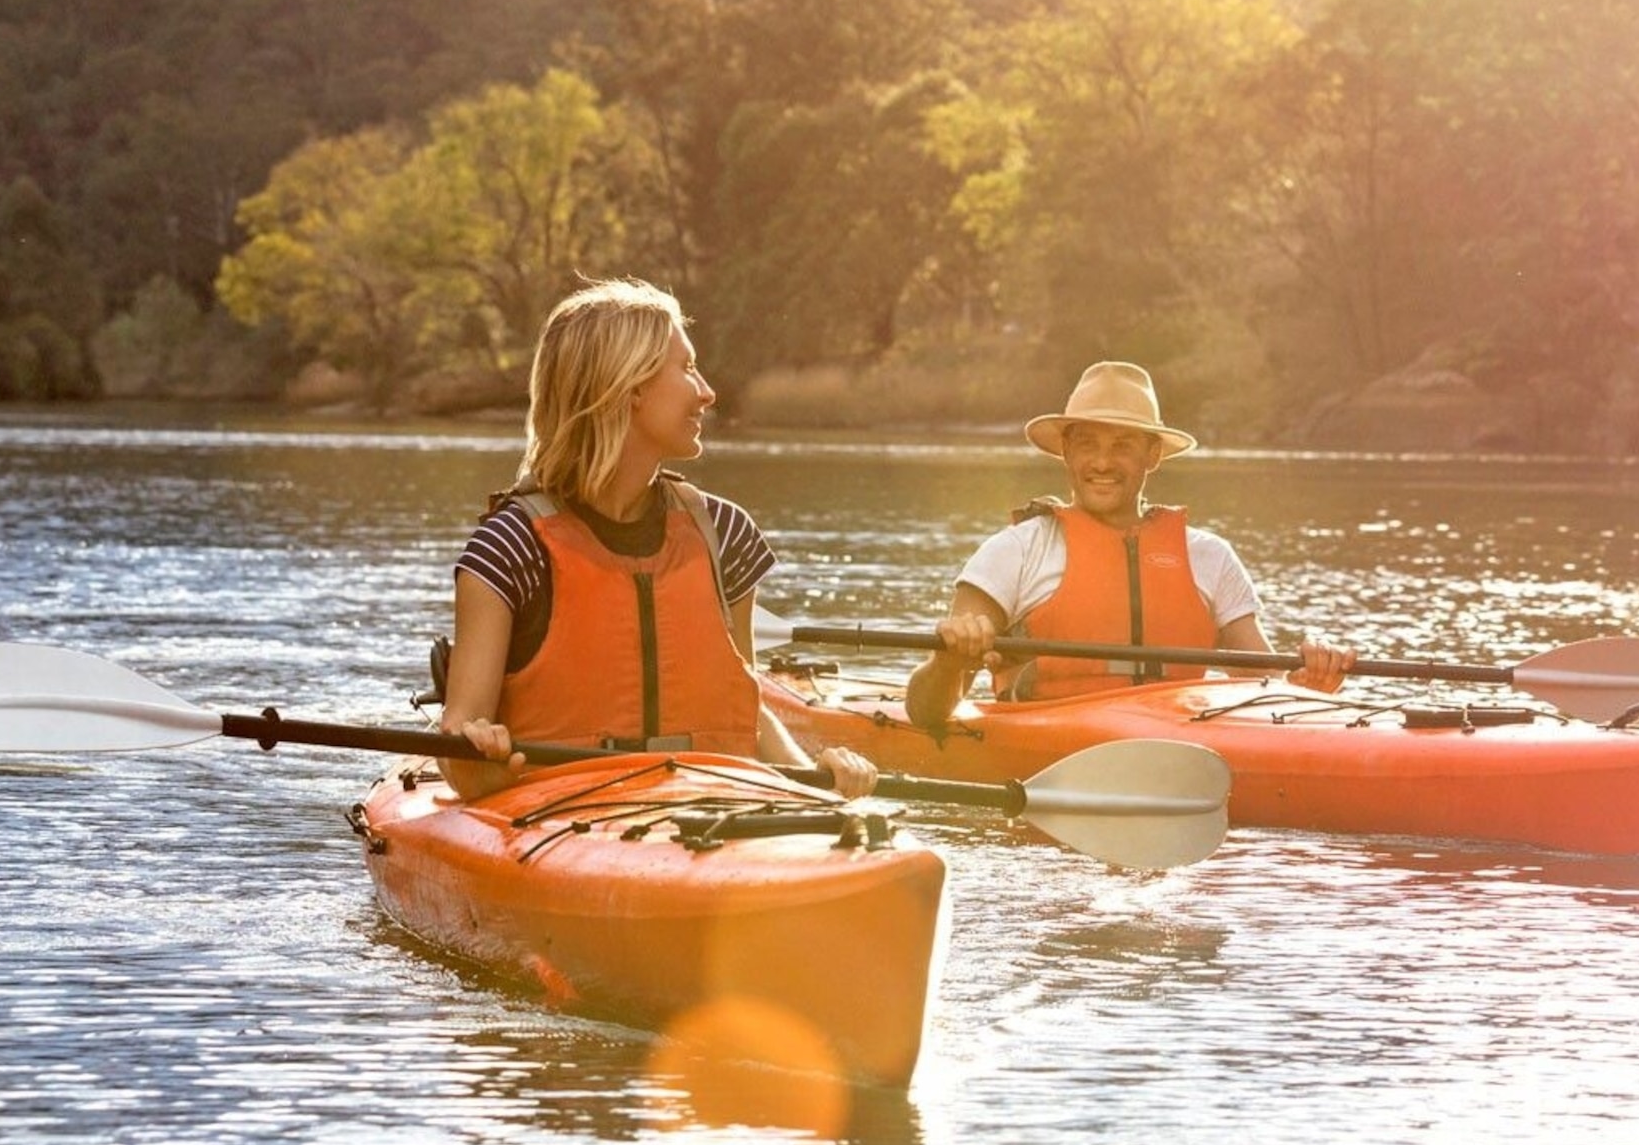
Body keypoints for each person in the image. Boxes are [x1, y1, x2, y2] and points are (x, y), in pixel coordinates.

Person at [441, 277, 877, 801]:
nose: (708, 392)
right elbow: (459, 745)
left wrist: (814, 780)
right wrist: (482, 756)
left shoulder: (724, 534)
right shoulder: (510, 548)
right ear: (631, 387)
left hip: (711, 806)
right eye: (688, 368)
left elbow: (741, 703)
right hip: (557, 816)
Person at [904, 359, 1353, 736]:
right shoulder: (1014, 553)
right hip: (1045, 746)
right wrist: (947, 664)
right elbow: (926, 714)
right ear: (1065, 450)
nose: (1102, 462)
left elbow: (1270, 691)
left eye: (1122, 446)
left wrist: (1309, 681)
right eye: (1087, 444)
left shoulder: (1210, 558)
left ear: (1152, 455)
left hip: (1177, 749)